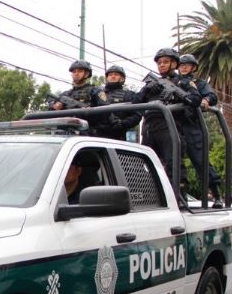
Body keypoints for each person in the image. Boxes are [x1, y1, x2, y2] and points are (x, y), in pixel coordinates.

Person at [136, 48, 202, 190]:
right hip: (149, 128)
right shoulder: (152, 82)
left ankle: (180, 197)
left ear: (174, 64)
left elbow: (195, 99)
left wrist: (176, 93)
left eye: (166, 62)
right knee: (145, 166)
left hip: (170, 126)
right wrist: (147, 90)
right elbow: (135, 102)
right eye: (159, 62)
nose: (162, 65)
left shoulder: (183, 82)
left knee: (174, 164)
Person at [178, 54, 224, 207]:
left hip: (192, 125)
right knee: (174, 162)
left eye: (187, 65)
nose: (183, 67)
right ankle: (179, 197)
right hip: (175, 125)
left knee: (200, 161)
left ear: (193, 67)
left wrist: (206, 100)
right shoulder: (173, 82)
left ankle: (217, 195)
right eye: (181, 65)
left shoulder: (198, 83)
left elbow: (211, 95)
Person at [92, 65, 141, 141]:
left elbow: (137, 116)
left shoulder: (128, 94)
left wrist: (122, 124)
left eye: (116, 74)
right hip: (97, 135)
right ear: (107, 78)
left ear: (122, 78)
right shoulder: (97, 93)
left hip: (118, 136)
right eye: (110, 74)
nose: (113, 76)